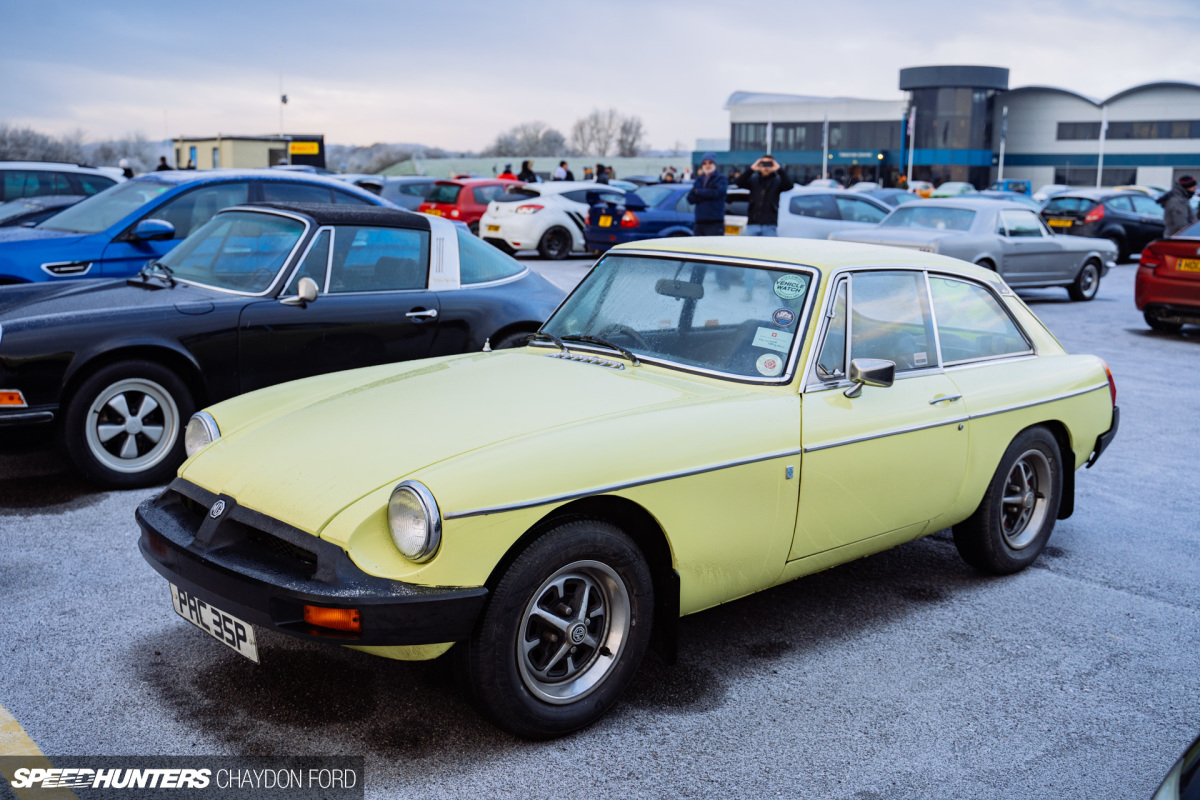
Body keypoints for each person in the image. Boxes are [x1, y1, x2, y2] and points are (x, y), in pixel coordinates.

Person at [734, 154, 794, 236]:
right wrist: (751, 169)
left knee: (769, 248)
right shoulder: (753, 180)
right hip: (752, 223)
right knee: (749, 248)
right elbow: (739, 183)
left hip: (769, 224)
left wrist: (779, 169)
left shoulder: (777, 181)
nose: (766, 167)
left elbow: (789, 186)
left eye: (769, 164)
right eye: (764, 164)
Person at [687, 153, 728, 237]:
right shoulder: (699, 179)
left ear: (714, 164)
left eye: (710, 163)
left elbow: (716, 194)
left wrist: (698, 192)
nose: (707, 165)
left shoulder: (721, 179)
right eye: (704, 163)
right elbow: (690, 198)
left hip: (715, 222)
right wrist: (708, 193)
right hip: (699, 222)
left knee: (713, 248)